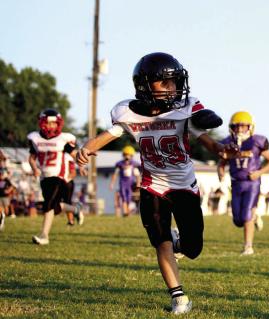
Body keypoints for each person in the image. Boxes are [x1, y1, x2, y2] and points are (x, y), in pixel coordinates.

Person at [76, 52, 238, 315]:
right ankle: (179, 297)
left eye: (174, 81)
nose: (173, 88)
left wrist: (222, 150)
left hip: (184, 186)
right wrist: (86, 148)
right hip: (153, 185)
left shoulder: (186, 107)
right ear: (145, 86)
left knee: (193, 248)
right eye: (165, 82)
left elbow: (205, 140)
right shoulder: (128, 112)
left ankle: (180, 244)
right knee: (160, 241)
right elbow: (109, 135)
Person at [217, 111, 269, 255]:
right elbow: (222, 163)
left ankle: (248, 246)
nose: (239, 129)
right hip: (236, 183)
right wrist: (220, 172)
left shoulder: (256, 142)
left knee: (246, 216)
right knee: (238, 220)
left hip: (252, 183)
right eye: (236, 127)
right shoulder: (228, 143)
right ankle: (255, 216)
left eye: (243, 126)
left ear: (250, 127)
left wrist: (259, 172)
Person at [28, 109, 83, 245]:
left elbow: (74, 154)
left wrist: (82, 164)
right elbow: (32, 158)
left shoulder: (63, 139)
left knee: (48, 205)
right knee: (54, 207)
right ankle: (75, 209)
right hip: (44, 176)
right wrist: (34, 168)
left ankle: (44, 236)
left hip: (58, 176)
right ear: (42, 123)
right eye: (49, 123)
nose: (51, 126)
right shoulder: (35, 138)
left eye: (54, 123)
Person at [109, 145, 141, 217]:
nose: (127, 157)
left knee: (129, 197)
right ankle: (125, 212)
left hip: (131, 183)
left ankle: (127, 211)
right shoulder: (120, 164)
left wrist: (138, 183)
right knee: (123, 197)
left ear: (131, 156)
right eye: (126, 155)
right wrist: (112, 183)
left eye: (129, 155)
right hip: (123, 182)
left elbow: (137, 175)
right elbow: (115, 174)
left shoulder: (134, 165)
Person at [64, 153, 85, 226]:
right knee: (59, 203)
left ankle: (71, 219)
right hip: (59, 182)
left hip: (67, 182)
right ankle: (75, 213)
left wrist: (64, 180)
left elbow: (73, 173)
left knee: (66, 202)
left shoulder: (67, 157)